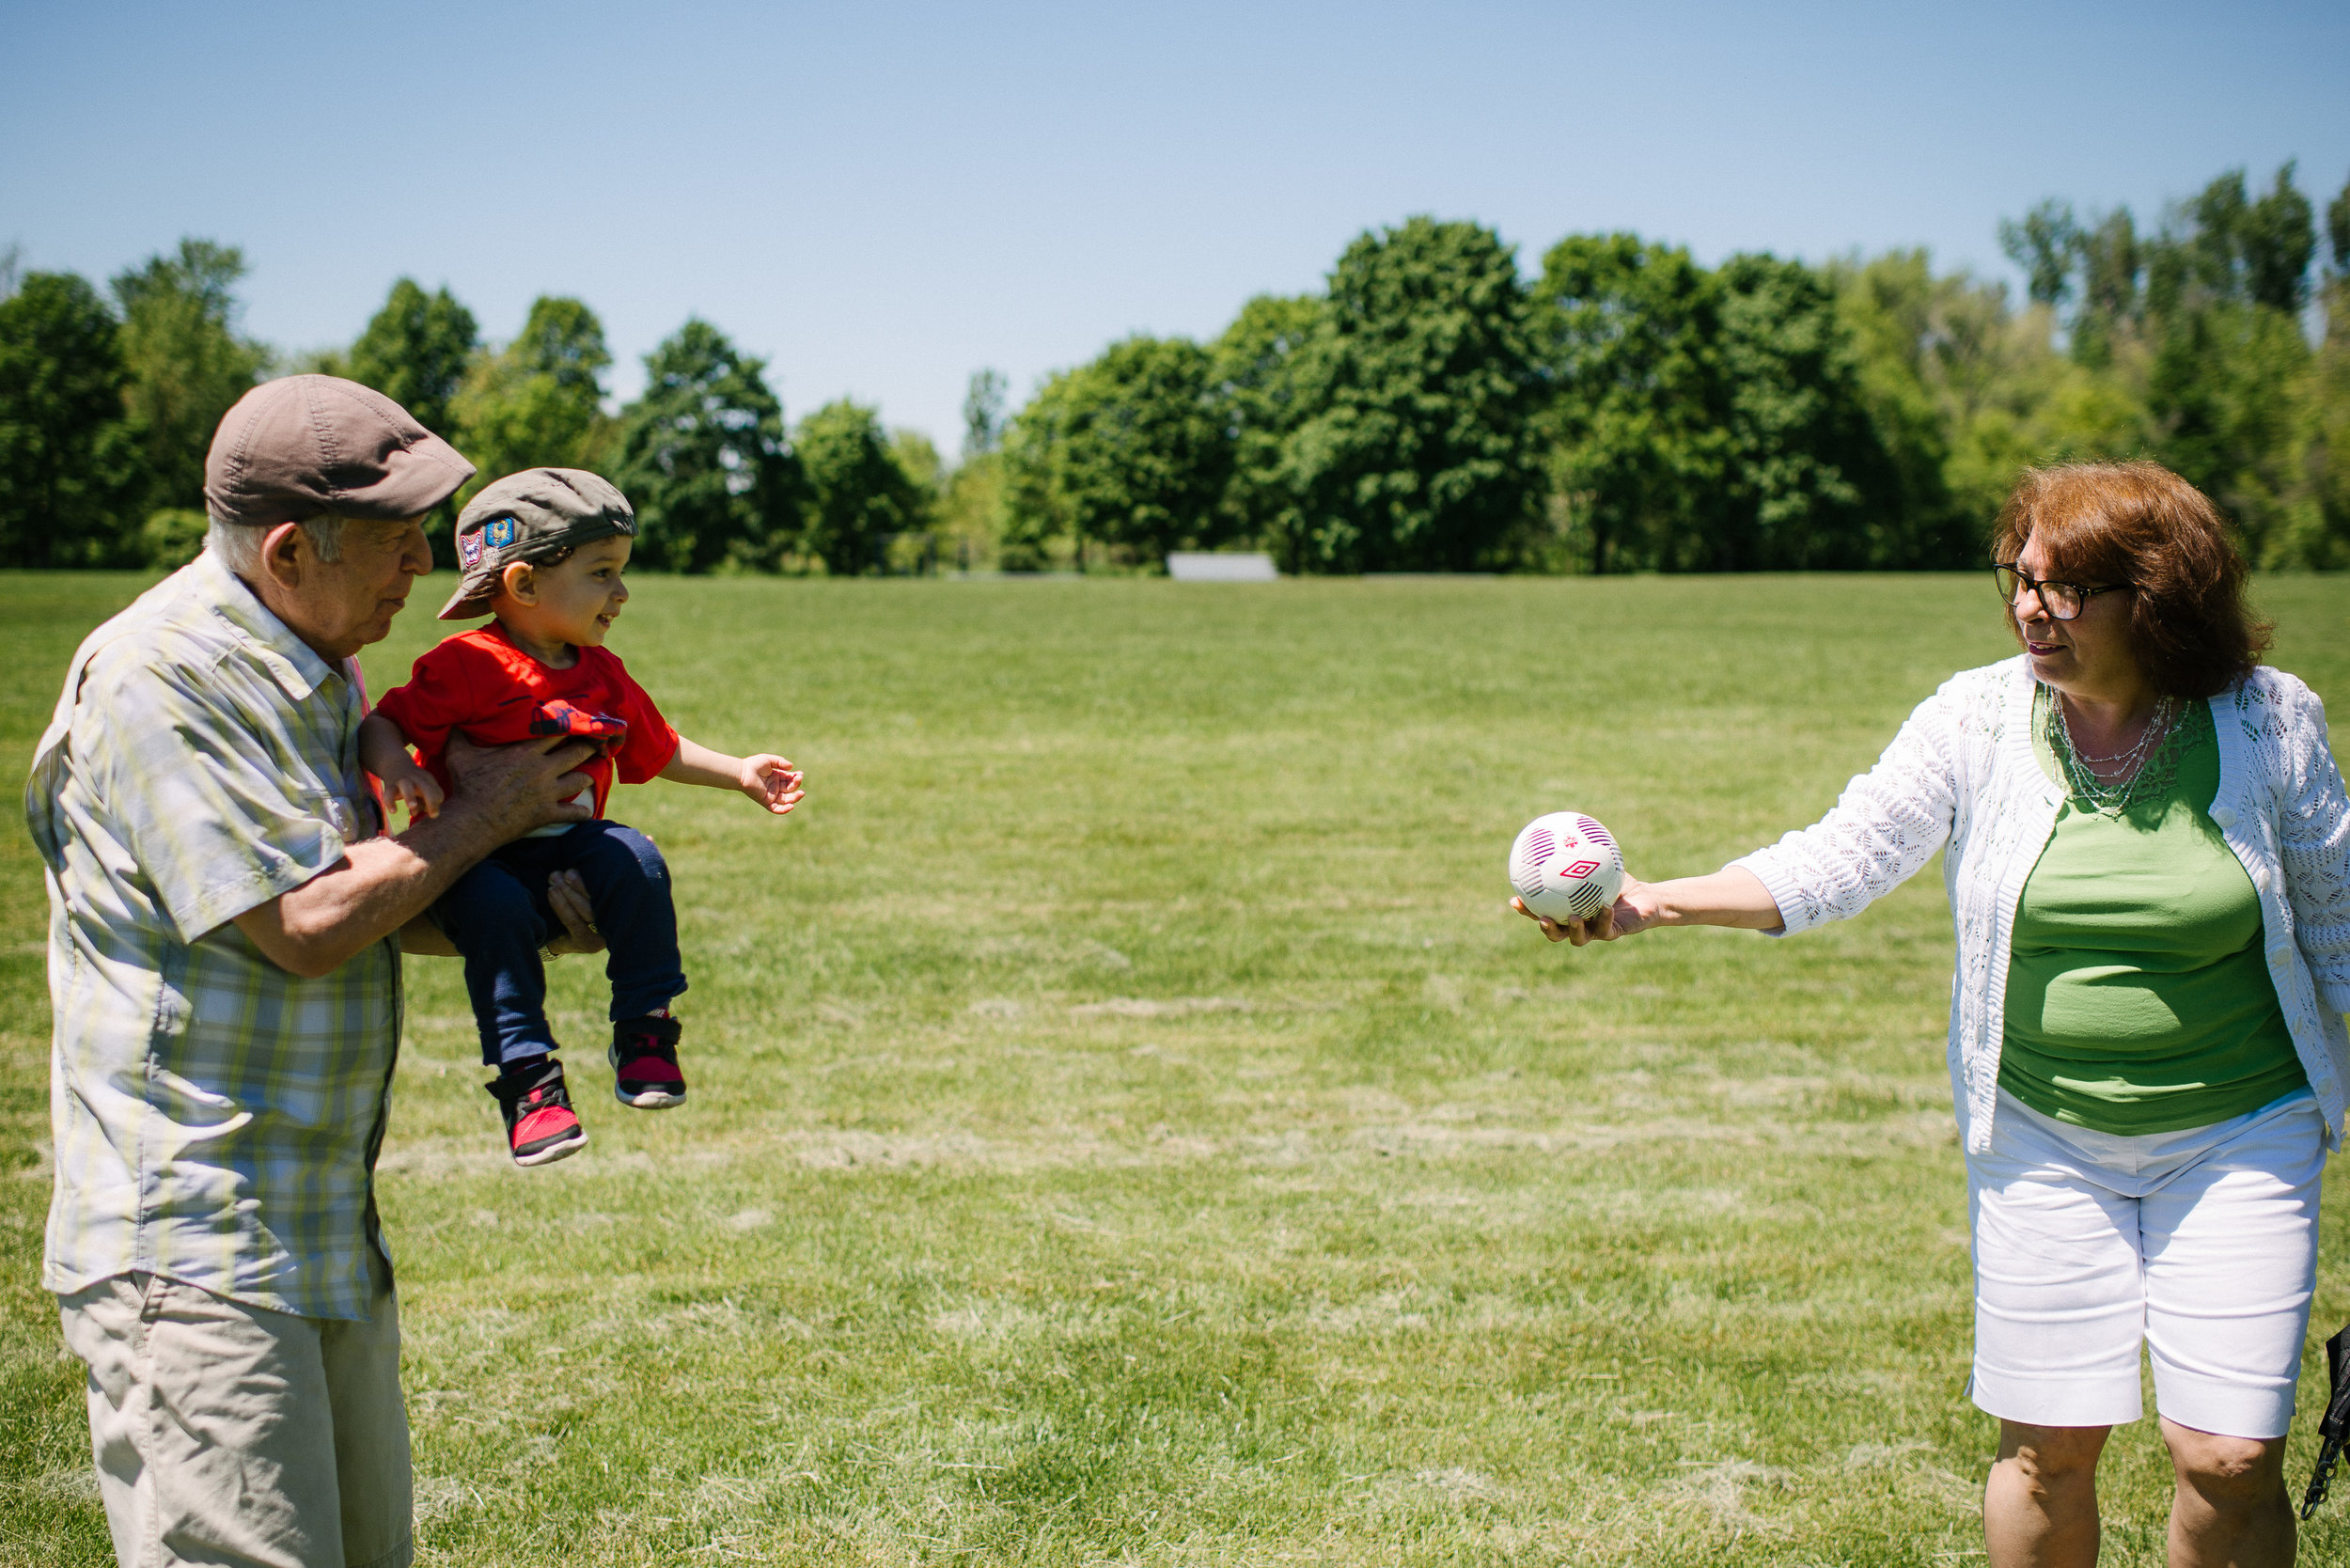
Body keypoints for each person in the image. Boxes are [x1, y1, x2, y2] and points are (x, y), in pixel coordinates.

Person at [1517, 462, 2348, 1568]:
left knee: (2228, 1458)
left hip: (2243, 1129)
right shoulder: (1977, 716)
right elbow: (1843, 856)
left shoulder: (2267, 720)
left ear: (2154, 598)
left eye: (2062, 588)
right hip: (2042, 1137)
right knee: (2049, 1449)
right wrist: (1653, 904)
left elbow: (2340, 926)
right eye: (2019, 576)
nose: (2026, 608)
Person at [28, 375, 608, 1568]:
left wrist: (534, 920)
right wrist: (487, 817)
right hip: (195, 1250)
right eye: (399, 545)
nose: (424, 570)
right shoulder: (164, 679)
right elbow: (299, 924)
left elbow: (375, 901)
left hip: (317, 1228)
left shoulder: (320, 657)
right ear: (290, 549)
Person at [360, 468, 803, 1167]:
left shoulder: (603, 672)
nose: (621, 594)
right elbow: (385, 722)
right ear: (525, 586)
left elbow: (659, 747)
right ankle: (528, 1081)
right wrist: (403, 768)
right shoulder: (465, 666)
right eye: (602, 573)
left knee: (637, 860)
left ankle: (644, 1029)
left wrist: (739, 771)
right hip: (479, 857)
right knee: (496, 908)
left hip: (569, 846)